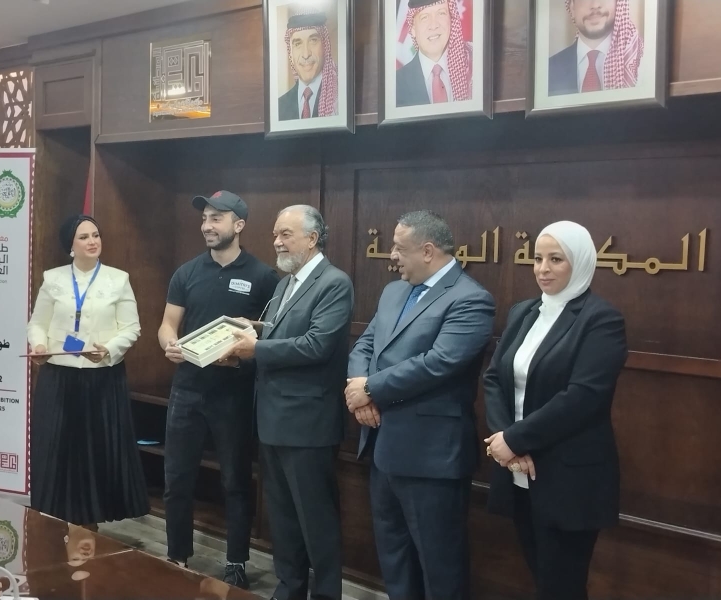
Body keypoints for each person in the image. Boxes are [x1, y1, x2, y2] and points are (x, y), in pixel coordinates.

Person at [345, 210, 495, 600]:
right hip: (382, 447)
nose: (391, 256)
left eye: (399, 248)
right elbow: (365, 345)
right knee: (394, 559)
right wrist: (360, 391)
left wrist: (371, 389)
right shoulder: (394, 291)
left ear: (427, 251)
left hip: (431, 458)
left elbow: (439, 363)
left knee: (439, 565)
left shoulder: (471, 299)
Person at [483, 221, 627, 600]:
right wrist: (505, 441)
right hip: (518, 469)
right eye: (537, 259)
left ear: (580, 262)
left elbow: (583, 397)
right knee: (542, 577)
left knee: (562, 587)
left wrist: (514, 439)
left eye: (556, 259)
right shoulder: (524, 312)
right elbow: (494, 378)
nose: (543, 269)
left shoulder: (600, 320)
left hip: (568, 479)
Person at [223, 205, 353, 600]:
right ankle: (289, 590)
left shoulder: (334, 283)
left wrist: (256, 348)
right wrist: (247, 342)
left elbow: (316, 345)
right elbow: (278, 338)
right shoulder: (285, 284)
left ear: (312, 239)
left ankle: (326, 594)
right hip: (273, 419)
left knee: (316, 522)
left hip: (308, 424)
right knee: (283, 520)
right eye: (275, 235)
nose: (277, 242)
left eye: (285, 234)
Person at [158, 191, 279, 589]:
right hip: (187, 389)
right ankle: (177, 555)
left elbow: (270, 337)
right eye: (204, 218)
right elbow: (167, 324)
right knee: (177, 479)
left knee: (236, 482)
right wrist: (168, 343)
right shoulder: (187, 272)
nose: (207, 226)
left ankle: (236, 561)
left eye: (216, 218)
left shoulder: (263, 276)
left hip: (234, 395)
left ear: (238, 225)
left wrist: (242, 357)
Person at [27, 214, 149, 528]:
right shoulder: (53, 279)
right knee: (58, 450)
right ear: (70, 245)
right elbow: (38, 323)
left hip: (102, 378)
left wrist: (108, 349)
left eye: (96, 235)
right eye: (84, 237)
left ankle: (92, 523)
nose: (93, 241)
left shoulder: (118, 279)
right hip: (59, 378)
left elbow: (131, 328)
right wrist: (39, 345)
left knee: (95, 452)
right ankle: (54, 524)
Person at [548, 0, 644, 96]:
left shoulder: (643, 61)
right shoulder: (548, 71)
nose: (595, 5)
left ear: (618, 3)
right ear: (572, 7)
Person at [396, 0, 472, 107]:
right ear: (413, 29)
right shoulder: (396, 85)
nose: (434, 25)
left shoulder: (474, 65)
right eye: (424, 17)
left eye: (441, 13)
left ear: (451, 20)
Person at [278, 11, 338, 121]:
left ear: (325, 46)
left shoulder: (339, 98)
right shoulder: (280, 106)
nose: (306, 54)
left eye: (313, 41)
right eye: (297, 44)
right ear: (291, 52)